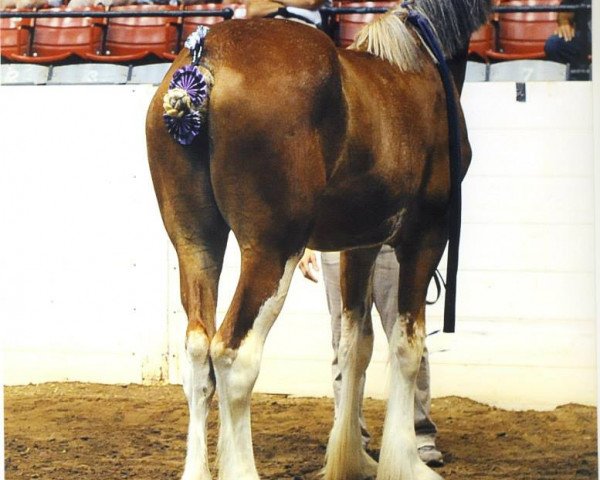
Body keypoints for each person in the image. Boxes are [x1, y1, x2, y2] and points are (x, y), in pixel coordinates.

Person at [298, 246, 444, 466]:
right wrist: (309, 243)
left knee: (408, 336)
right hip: (340, 242)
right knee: (345, 343)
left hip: (391, 242)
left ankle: (418, 430)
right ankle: (350, 432)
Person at [544, 0, 591, 78]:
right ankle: (572, 84)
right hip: (586, 41)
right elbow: (565, 12)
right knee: (554, 44)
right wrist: (564, 23)